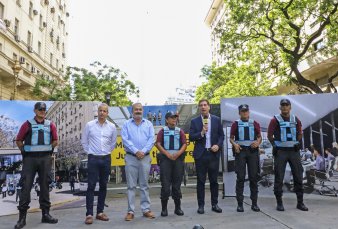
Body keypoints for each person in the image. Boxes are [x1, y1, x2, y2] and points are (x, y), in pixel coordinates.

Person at [14, 102, 58, 229]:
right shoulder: (27, 124)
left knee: (45, 186)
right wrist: (24, 152)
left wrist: (48, 150)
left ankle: (46, 215)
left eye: (44, 109)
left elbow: (55, 141)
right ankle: (22, 219)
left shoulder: (51, 125)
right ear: (35, 110)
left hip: (45, 159)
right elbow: (18, 140)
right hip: (30, 160)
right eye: (40, 109)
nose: (43, 111)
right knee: (26, 186)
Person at [268, 98, 308, 212]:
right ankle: (279, 203)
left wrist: (297, 142)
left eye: (287, 105)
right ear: (280, 107)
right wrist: (274, 145)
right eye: (283, 105)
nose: (285, 107)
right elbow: (270, 135)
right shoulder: (275, 120)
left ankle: (300, 203)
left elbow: (300, 132)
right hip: (281, 152)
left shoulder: (295, 119)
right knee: (279, 177)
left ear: (290, 107)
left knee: (298, 176)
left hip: (293, 151)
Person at [81, 103, 117, 225]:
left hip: (106, 159)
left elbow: (113, 143)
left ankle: (100, 212)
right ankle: (89, 214)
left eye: (104, 111)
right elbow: (84, 141)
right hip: (93, 159)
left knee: (103, 185)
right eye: (100, 110)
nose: (102, 113)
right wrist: (90, 152)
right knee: (91, 186)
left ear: (107, 113)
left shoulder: (112, 127)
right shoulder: (90, 125)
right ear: (98, 112)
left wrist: (106, 152)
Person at [189, 99, 224, 214]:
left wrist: (218, 146)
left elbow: (221, 136)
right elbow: (191, 137)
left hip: (213, 154)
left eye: (205, 105)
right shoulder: (194, 121)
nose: (203, 107)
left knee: (214, 181)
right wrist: (202, 133)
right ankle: (201, 206)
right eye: (201, 105)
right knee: (201, 181)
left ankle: (215, 204)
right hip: (201, 154)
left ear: (209, 107)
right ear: (199, 108)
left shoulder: (216, 120)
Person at [121, 103, 155, 221]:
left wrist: (143, 151)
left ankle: (146, 210)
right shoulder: (126, 124)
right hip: (131, 157)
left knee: (144, 185)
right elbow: (125, 140)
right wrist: (136, 151)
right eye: (136, 109)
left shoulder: (149, 124)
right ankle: (130, 211)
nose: (138, 111)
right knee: (131, 186)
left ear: (143, 111)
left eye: (140, 109)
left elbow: (151, 139)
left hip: (145, 158)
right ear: (132, 111)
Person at [229, 104, 262, 212]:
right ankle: (240, 204)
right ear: (239, 113)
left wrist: (257, 143)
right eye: (242, 111)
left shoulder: (255, 123)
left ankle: (254, 204)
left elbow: (259, 137)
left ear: (249, 112)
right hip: (241, 152)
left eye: (246, 111)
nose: (244, 113)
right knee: (241, 178)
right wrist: (235, 145)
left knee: (253, 177)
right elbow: (231, 138)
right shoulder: (235, 124)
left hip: (252, 152)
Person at [156, 111, 187, 217]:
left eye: (175, 117)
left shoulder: (180, 131)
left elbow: (184, 144)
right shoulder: (162, 131)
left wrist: (178, 153)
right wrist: (167, 154)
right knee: (165, 185)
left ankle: (177, 208)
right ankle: (164, 209)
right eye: (172, 117)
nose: (174, 119)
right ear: (166, 119)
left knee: (177, 185)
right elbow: (158, 144)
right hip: (166, 160)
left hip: (178, 160)